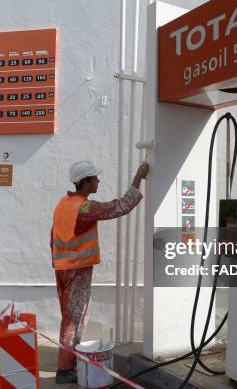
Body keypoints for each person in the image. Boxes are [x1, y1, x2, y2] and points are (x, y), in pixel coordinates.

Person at [51, 160, 150, 384]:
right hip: (77, 269)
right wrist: (138, 178)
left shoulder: (63, 203)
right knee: (75, 320)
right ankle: (65, 370)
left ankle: (68, 362)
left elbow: (53, 236)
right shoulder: (85, 207)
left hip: (62, 268)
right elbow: (121, 206)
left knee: (71, 316)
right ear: (85, 182)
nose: (98, 181)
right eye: (95, 178)